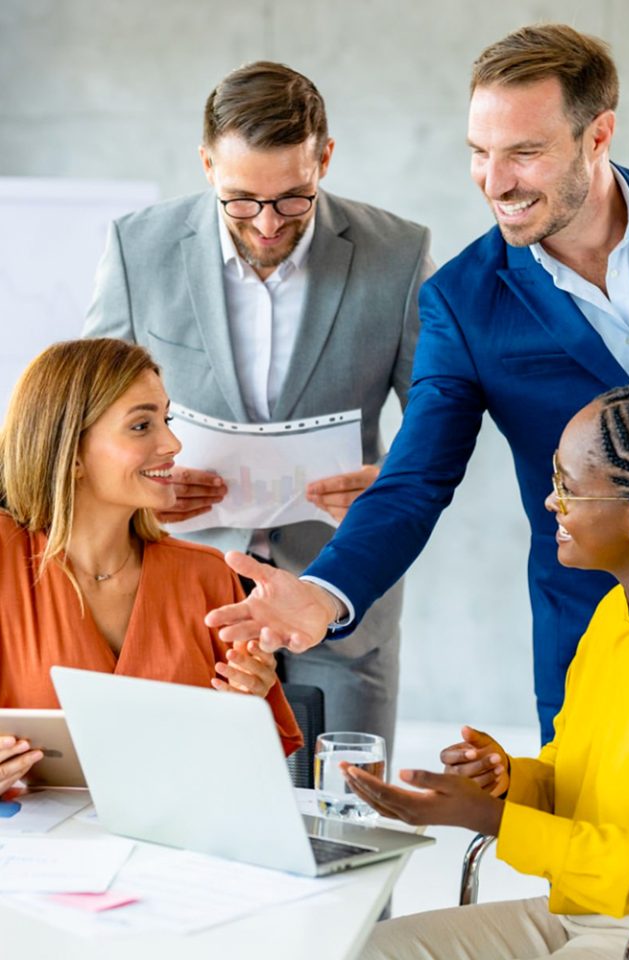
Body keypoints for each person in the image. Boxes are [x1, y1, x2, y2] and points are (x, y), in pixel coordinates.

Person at [205, 23, 629, 742]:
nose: (495, 182)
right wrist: (323, 592)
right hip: (593, 618)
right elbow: (416, 477)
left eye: (525, 153)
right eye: (479, 153)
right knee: (591, 834)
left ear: (598, 136)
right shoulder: (464, 303)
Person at [341, 383, 629, 960]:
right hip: (592, 913)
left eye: (568, 487)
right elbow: (583, 788)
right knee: (361, 949)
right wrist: (510, 781)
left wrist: (495, 821)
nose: (550, 502)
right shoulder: (618, 612)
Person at [83, 61, 433, 751]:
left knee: (341, 818)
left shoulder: (398, 252)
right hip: (180, 590)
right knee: (186, 816)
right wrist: (141, 484)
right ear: (207, 164)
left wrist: (391, 484)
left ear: (325, 159)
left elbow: (437, 413)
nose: (268, 224)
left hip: (343, 591)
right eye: (241, 200)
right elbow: (90, 413)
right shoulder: (138, 248)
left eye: (294, 199)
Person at [0, 338, 302, 796]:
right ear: (72, 453)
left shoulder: (207, 576)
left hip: (178, 848)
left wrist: (249, 711)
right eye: (142, 426)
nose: (173, 443)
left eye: (167, 419)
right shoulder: (6, 559)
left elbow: (255, 777)